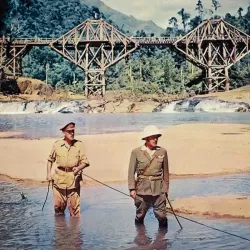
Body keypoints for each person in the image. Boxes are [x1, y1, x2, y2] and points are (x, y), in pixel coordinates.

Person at [128, 125, 169, 227]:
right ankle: (140, 238)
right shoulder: (136, 152)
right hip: (142, 188)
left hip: (158, 188)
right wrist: (132, 189)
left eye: (157, 137)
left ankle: (162, 241)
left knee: (162, 216)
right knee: (140, 214)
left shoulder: (162, 151)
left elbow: (166, 173)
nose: (155, 139)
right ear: (146, 138)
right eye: (152, 137)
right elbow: (131, 172)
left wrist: (166, 188)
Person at [46, 122, 90, 217]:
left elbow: (85, 162)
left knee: (75, 212)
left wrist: (78, 168)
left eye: (73, 131)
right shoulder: (57, 145)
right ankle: (61, 230)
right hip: (59, 181)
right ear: (64, 132)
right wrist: (48, 174)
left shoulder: (79, 145)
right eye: (69, 131)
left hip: (73, 181)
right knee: (58, 209)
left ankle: (75, 232)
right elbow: (50, 160)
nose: (72, 133)